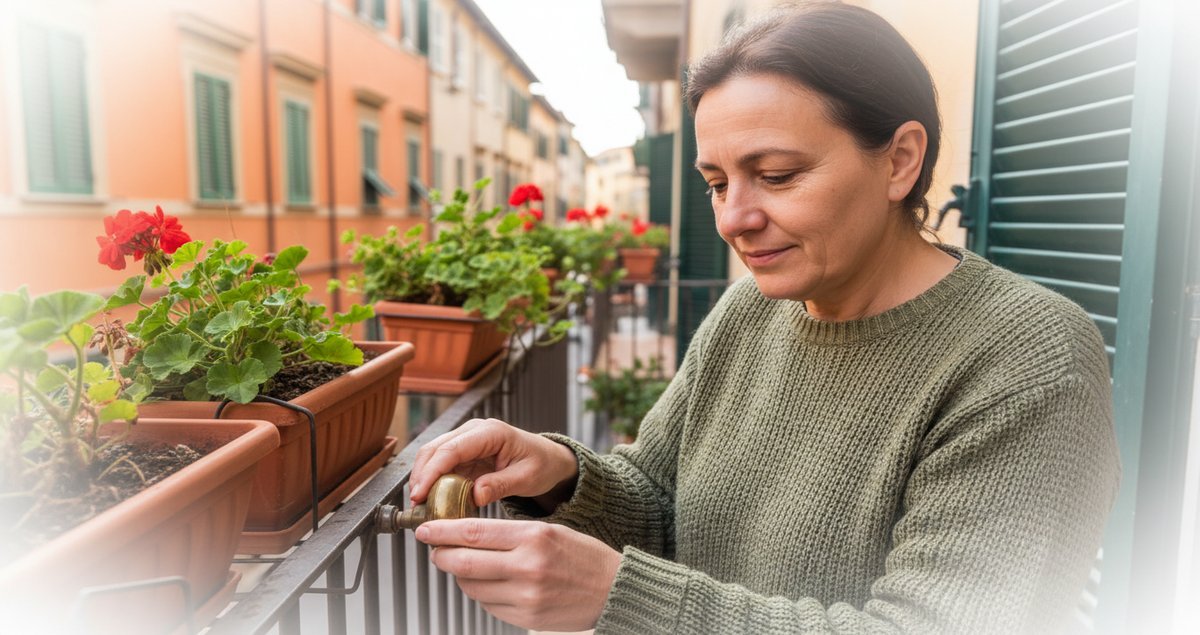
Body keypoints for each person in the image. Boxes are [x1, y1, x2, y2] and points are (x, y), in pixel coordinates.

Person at [407, 2, 1121, 633]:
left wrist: (616, 596)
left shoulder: (1027, 359)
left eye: (776, 175)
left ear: (900, 160)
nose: (734, 220)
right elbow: (660, 502)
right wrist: (557, 473)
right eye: (716, 183)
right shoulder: (751, 307)